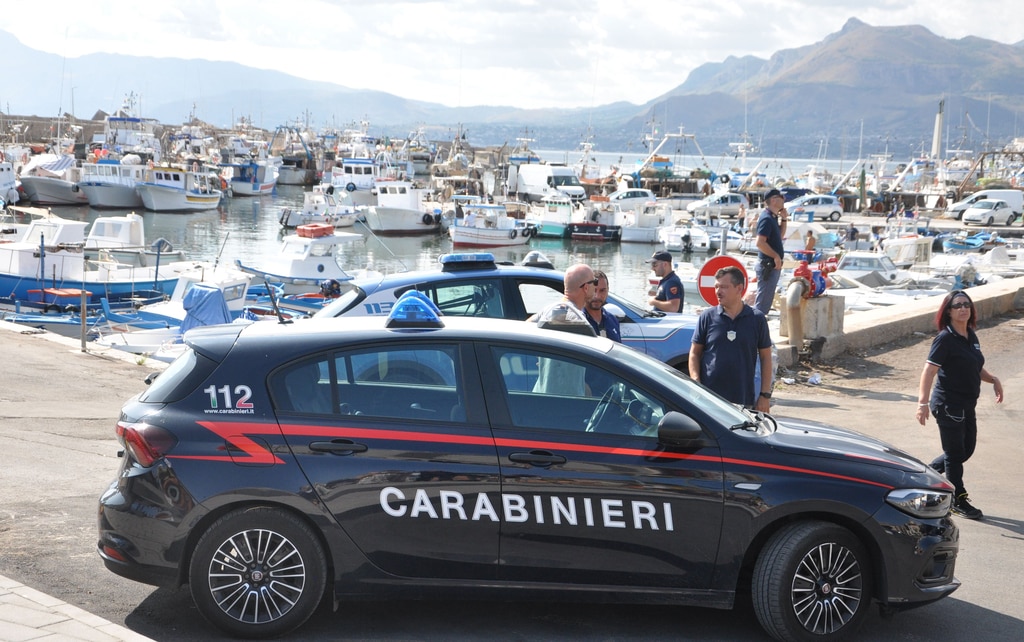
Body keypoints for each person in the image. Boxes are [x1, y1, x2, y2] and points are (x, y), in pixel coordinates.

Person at [915, 290, 1003, 520]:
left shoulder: (971, 336)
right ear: (949, 311)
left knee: (966, 449)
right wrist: (922, 403)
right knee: (954, 455)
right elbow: (929, 371)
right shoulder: (945, 338)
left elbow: (975, 366)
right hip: (947, 404)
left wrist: (993, 379)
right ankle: (958, 499)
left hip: (966, 404)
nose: (963, 308)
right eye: (957, 305)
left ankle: (925, 473)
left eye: (966, 305)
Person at [689, 266, 773, 412]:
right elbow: (694, 353)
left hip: (743, 399)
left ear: (739, 288)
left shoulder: (756, 319)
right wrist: (696, 383)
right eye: (716, 286)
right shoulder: (707, 317)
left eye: (724, 287)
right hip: (710, 399)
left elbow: (766, 357)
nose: (718, 291)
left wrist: (765, 395)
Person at [754, 188, 788, 315]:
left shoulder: (772, 217)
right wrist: (776, 256)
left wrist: (784, 220)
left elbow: (779, 236)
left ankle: (758, 329)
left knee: (765, 303)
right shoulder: (767, 218)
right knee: (762, 305)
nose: (784, 200)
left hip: (771, 265)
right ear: (773, 200)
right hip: (767, 265)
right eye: (781, 197)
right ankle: (756, 330)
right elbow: (760, 242)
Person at [584, 270, 621, 341]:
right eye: (594, 290)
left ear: (608, 291)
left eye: (602, 290)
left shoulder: (613, 320)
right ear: (586, 289)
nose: (597, 296)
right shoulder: (577, 321)